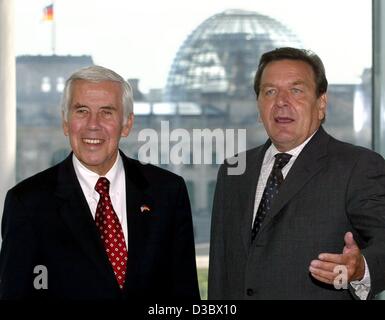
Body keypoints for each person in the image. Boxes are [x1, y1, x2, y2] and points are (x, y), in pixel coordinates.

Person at [0, 65, 200, 300]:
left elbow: (184, 296)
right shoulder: (27, 203)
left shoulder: (168, 192)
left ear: (126, 124)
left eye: (107, 112)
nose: (92, 124)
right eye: (81, 111)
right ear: (65, 122)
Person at [208, 47, 385, 300]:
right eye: (270, 91)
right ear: (259, 105)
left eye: (296, 90)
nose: (281, 101)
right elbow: (221, 271)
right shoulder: (234, 170)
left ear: (321, 103)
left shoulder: (358, 166)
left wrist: (360, 270)